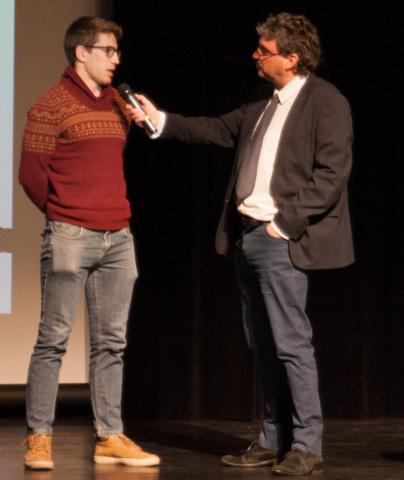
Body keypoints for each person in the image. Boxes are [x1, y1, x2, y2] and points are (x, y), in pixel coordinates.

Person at [128, 12, 353, 476]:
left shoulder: (326, 102)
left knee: (292, 344)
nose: (255, 55)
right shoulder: (262, 100)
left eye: (264, 50)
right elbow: (216, 129)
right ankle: (272, 439)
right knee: (264, 345)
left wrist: (284, 225)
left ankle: (307, 445)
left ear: (292, 57)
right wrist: (159, 120)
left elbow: (332, 175)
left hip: (280, 239)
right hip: (247, 237)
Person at [19, 16, 160, 470]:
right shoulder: (50, 105)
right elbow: (31, 175)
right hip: (70, 234)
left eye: (117, 51)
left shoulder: (120, 103)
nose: (116, 59)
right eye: (107, 51)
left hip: (119, 237)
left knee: (111, 343)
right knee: (53, 339)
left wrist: (146, 117)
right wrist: (65, 215)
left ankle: (110, 435)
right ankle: (39, 437)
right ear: (82, 53)